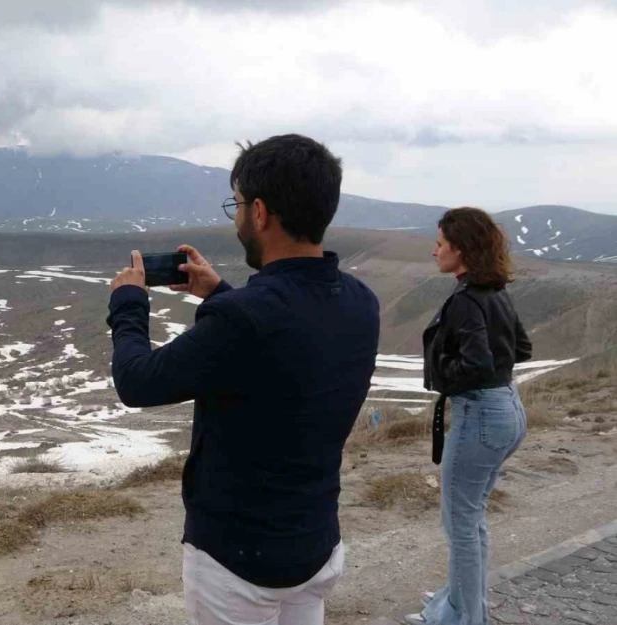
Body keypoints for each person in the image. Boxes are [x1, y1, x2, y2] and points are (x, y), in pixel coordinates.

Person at [107, 134, 380, 625]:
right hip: (315, 543)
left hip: (238, 561)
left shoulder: (245, 319)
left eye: (236, 205)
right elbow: (286, 344)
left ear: (259, 212)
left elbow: (137, 381)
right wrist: (220, 294)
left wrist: (128, 304)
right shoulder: (360, 300)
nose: (235, 220)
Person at [407, 208, 531, 625]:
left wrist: (445, 377)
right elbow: (523, 349)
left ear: (460, 250)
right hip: (509, 408)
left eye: (440, 244)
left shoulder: (465, 300)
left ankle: (461, 617)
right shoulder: (495, 291)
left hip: (480, 414)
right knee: (471, 517)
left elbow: (475, 365)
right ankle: (460, 601)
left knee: (460, 521)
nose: (434, 250)